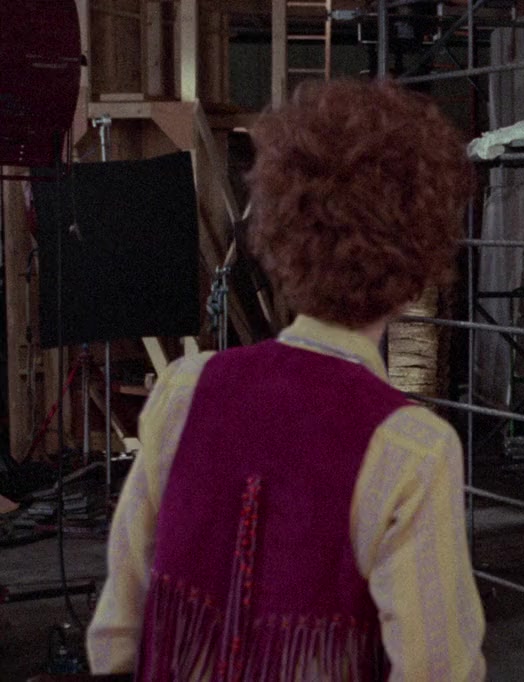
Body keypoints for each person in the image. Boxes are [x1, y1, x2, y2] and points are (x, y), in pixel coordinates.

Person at [86, 79, 485, 680]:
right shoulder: (412, 448)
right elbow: (436, 668)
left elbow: (118, 631)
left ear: (278, 237)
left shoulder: (184, 390)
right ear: (417, 267)